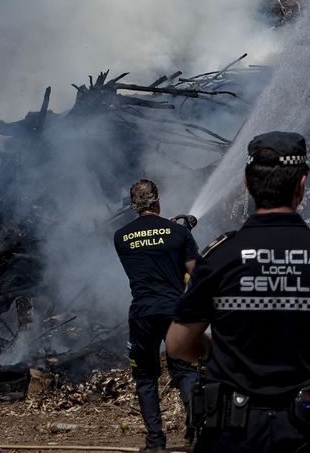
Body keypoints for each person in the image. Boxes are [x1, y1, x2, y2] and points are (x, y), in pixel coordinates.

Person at [166, 131, 310, 453]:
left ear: (247, 182)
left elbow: (176, 345)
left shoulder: (220, 255)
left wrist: (214, 351)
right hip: (303, 430)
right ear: (302, 184)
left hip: (230, 431)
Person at [113, 178, 200, 453]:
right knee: (185, 372)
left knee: (145, 377)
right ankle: (197, 435)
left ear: (133, 205)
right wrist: (178, 231)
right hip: (175, 312)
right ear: (158, 199)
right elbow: (195, 274)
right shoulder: (178, 233)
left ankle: (155, 442)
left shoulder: (121, 237)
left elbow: (148, 254)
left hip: (141, 314)